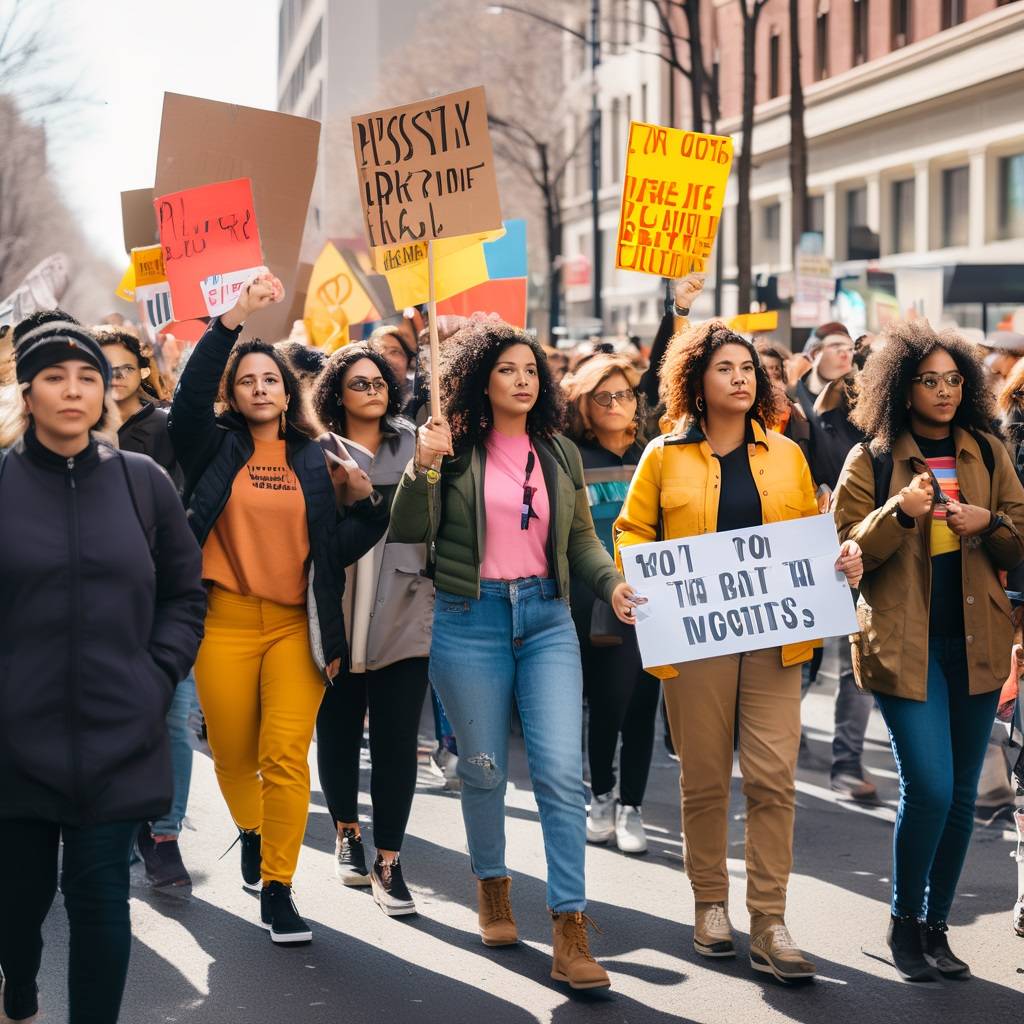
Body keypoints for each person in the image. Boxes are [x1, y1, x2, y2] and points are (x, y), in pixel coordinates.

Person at [390, 320, 642, 991]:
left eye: (531, 370)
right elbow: (408, 532)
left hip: (548, 619)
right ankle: (492, 887)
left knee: (560, 773)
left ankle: (569, 930)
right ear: (481, 378)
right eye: (507, 370)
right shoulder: (452, 446)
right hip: (466, 619)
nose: (523, 380)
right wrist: (424, 465)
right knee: (484, 770)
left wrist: (611, 584)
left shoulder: (558, 452)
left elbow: (583, 541)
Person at [614, 320, 863, 982]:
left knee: (774, 778)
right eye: (725, 368)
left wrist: (838, 561)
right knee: (703, 780)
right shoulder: (663, 455)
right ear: (696, 382)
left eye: (748, 368)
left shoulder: (786, 454)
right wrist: (634, 578)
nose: (741, 378)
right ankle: (710, 905)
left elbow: (810, 534)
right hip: (696, 646)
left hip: (777, 641)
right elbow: (632, 529)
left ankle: (772, 919)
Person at [168, 272, 389, 946]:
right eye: (247, 381)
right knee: (233, 757)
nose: (261, 388)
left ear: (286, 391)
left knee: (285, 756)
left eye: (271, 380)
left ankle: (280, 888)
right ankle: (257, 833)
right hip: (223, 625)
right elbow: (183, 402)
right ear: (231, 394)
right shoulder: (214, 445)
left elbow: (341, 546)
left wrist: (369, 504)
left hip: (298, 626)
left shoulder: (315, 457)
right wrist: (233, 319)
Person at [0, 319, 205, 1024]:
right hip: (14, 743)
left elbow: (185, 594)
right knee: (16, 904)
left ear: (106, 393)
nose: (73, 390)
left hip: (118, 737)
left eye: (88, 377)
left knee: (99, 905)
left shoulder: (141, 483)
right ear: (27, 391)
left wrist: (155, 677)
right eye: (55, 377)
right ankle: (17, 984)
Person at [832, 319, 1024, 981]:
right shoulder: (873, 457)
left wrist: (989, 522)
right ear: (900, 387)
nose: (942, 391)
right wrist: (901, 512)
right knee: (932, 788)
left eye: (952, 380)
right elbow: (848, 550)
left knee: (964, 794)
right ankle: (902, 923)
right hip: (903, 643)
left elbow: (1019, 538)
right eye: (927, 380)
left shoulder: (988, 450)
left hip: (977, 643)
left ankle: (936, 927)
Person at [311, 344, 432, 916]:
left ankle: (390, 860)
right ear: (336, 393)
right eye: (358, 383)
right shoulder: (315, 450)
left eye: (380, 380)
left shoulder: (416, 440)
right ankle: (346, 832)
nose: (373, 390)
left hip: (406, 603)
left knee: (396, 737)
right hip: (337, 601)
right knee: (337, 724)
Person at [95, 326, 199, 895]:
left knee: (172, 720)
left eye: (123, 368)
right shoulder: (61, 439)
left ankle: (163, 835)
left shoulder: (166, 428)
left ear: (141, 371)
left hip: (160, 597)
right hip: (96, 608)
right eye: (100, 369)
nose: (114, 379)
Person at [561, 354, 658, 855]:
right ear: (584, 404)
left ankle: (632, 806)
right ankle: (601, 794)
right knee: (608, 701)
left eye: (624, 394)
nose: (617, 404)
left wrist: (678, 311)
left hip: (657, 596)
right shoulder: (571, 455)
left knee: (645, 703)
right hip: (595, 595)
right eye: (605, 396)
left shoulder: (655, 452)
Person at [795, 324, 876, 800]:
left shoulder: (865, 408)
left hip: (859, 545)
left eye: (851, 347)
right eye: (835, 347)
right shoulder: (796, 406)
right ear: (813, 355)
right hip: (810, 545)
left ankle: (847, 762)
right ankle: (784, 730)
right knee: (806, 657)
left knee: (855, 660)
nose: (845, 355)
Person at [368, 323, 419, 416]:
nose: (387, 358)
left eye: (394, 351)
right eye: (378, 351)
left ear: (408, 360)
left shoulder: (422, 399)